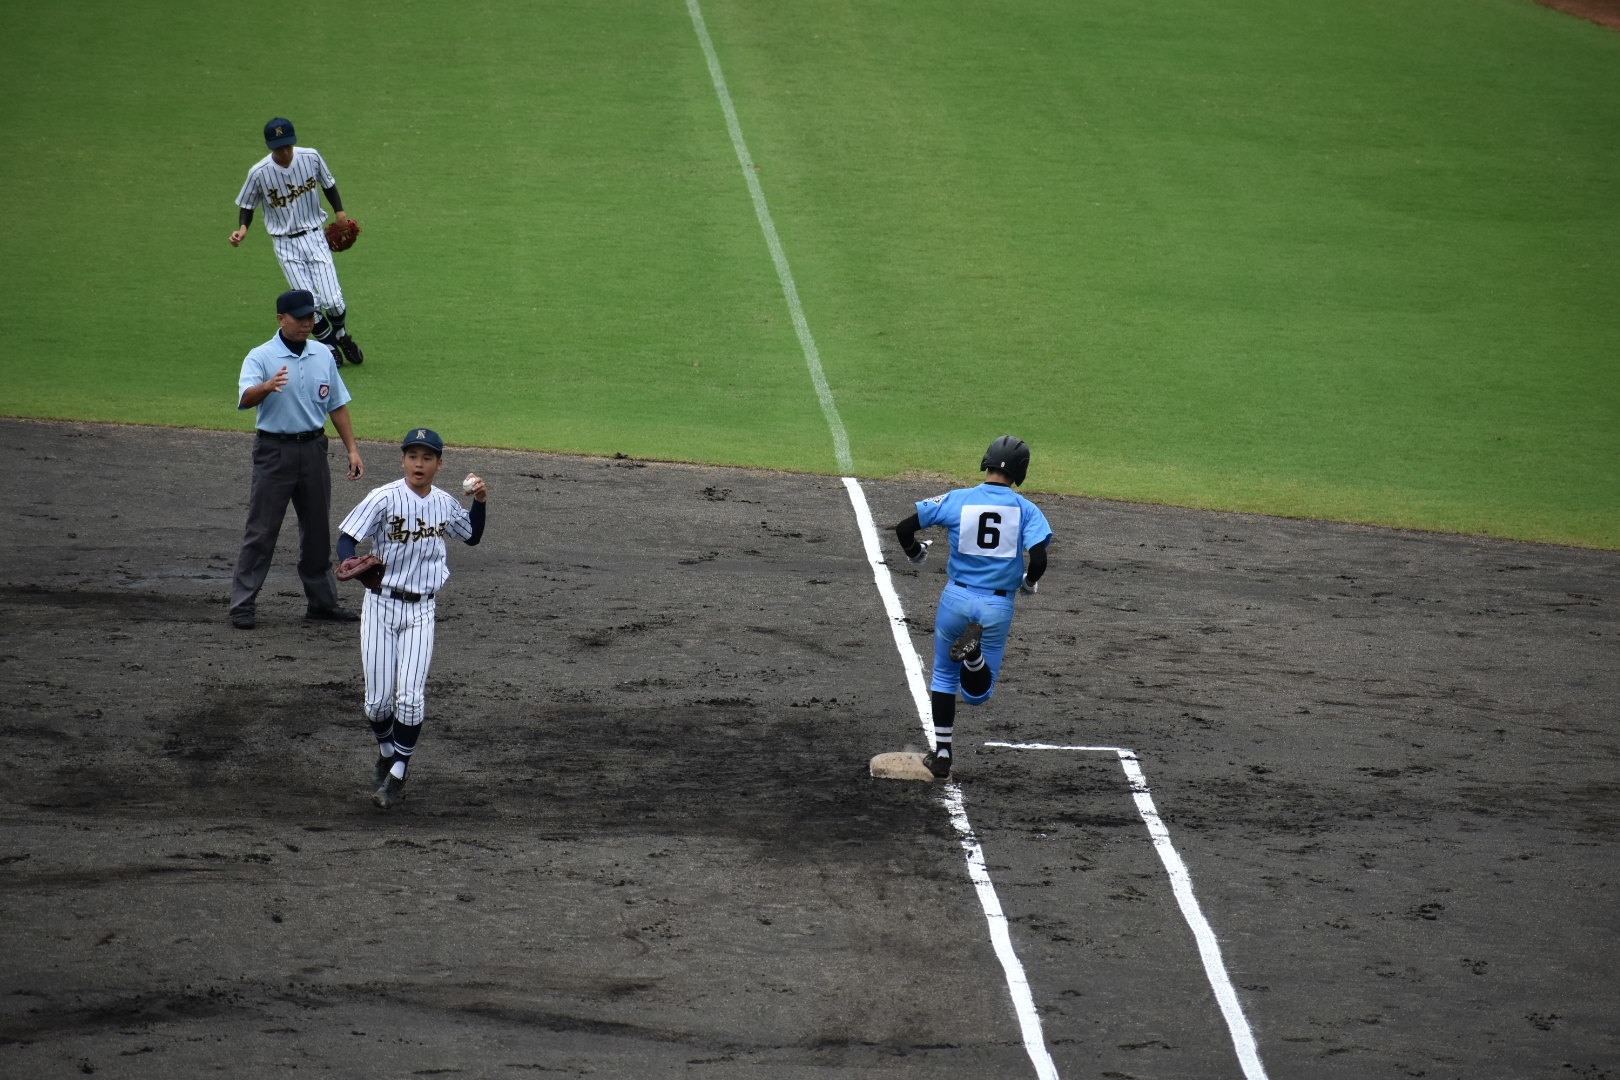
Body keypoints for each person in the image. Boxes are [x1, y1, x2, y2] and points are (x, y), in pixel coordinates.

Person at [336, 428, 489, 810]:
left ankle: (398, 771)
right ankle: (388, 752)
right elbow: (347, 538)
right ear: (403, 460)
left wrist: (481, 502)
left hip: (422, 608)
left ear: (439, 464)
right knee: (376, 704)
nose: (418, 464)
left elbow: (470, 536)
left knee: (410, 699)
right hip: (380, 605)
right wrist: (348, 558)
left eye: (427, 458)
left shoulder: (446, 503)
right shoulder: (383, 497)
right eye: (412, 456)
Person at [894, 436, 1053, 778]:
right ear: (1020, 472)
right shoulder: (1026, 510)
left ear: (987, 462)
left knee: (942, 676)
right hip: (997, 605)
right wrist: (1027, 583)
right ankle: (974, 657)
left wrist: (916, 553)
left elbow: (903, 527)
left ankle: (943, 754)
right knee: (978, 694)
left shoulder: (958, 499)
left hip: (955, 600)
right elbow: (1039, 559)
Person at [229, 289, 365, 629]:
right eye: (301, 318)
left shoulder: (323, 354)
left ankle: (322, 604)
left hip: (314, 450)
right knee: (261, 530)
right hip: (274, 451)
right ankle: (242, 604)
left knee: (317, 530)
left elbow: (337, 404)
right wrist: (266, 387)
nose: (308, 323)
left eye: (311, 318)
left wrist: (352, 449)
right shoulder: (260, 357)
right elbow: (245, 399)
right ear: (281, 319)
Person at [230, 118, 365, 366]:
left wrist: (340, 213)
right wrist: (242, 229)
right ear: (270, 146)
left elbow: (329, 184)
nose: (284, 152)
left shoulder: (311, 157)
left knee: (333, 301)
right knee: (310, 304)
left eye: (287, 146)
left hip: (315, 236)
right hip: (285, 244)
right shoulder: (259, 173)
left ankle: (342, 335)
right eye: (278, 148)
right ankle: (330, 347)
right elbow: (247, 204)